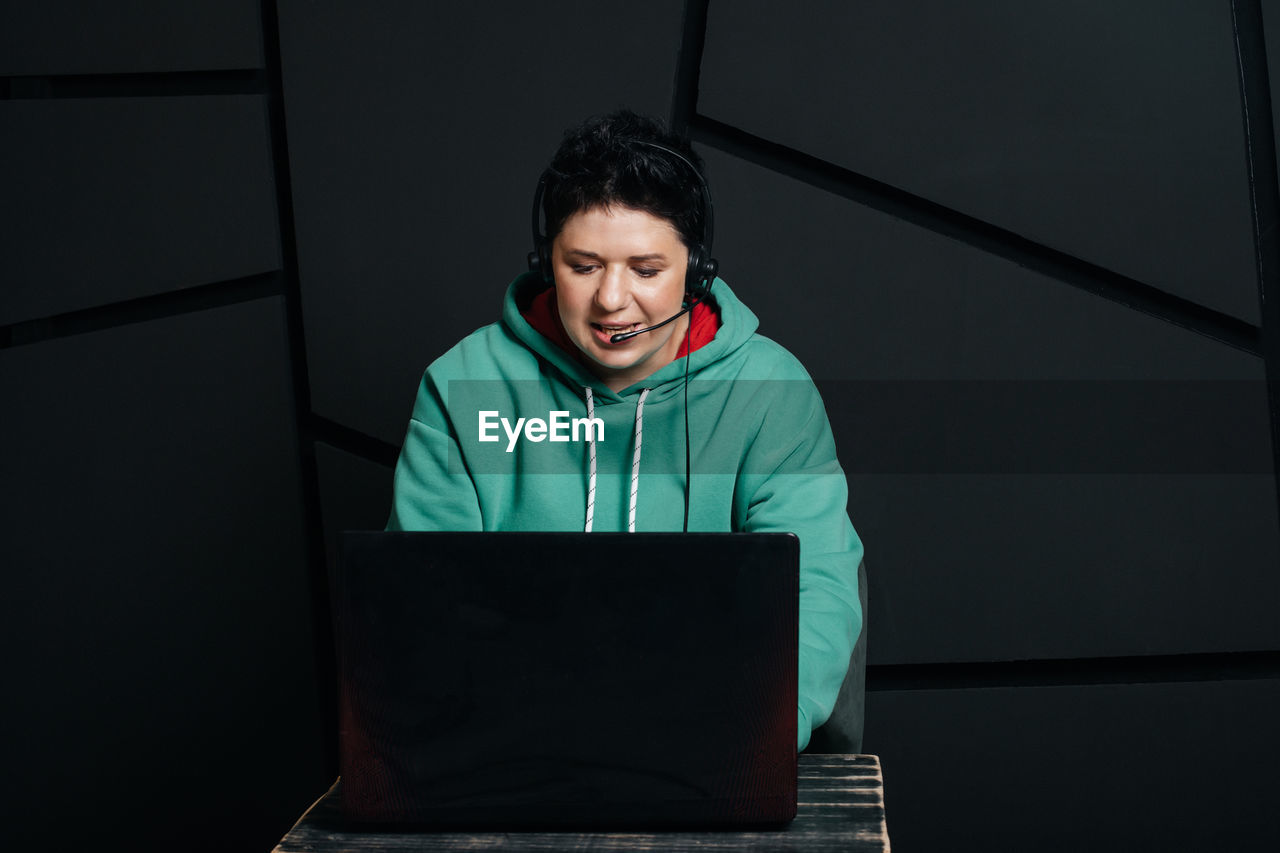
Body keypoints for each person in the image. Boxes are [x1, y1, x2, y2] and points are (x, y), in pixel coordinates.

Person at [386, 109, 864, 752]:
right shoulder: (463, 387)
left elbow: (815, 587)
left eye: (646, 269)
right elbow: (425, 604)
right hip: (514, 744)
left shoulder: (769, 391)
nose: (612, 300)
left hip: (717, 738)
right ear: (546, 261)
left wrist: (758, 731)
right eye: (583, 267)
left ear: (696, 271)